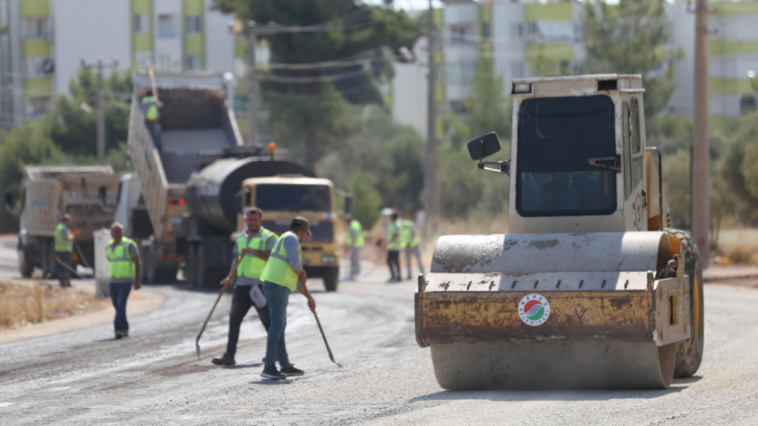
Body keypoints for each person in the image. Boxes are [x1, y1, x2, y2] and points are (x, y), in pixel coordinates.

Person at [212, 207, 277, 366]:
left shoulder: (268, 237)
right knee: (234, 318)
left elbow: (271, 256)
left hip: (260, 286)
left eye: (255, 220)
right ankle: (229, 355)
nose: (252, 222)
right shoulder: (241, 237)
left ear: (261, 221)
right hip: (242, 285)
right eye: (250, 219)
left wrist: (252, 251)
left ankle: (275, 352)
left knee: (267, 320)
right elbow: (237, 260)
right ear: (245, 220)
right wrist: (229, 278)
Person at [259, 217, 317, 380]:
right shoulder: (291, 238)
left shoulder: (285, 238)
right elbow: (296, 266)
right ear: (302, 231)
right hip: (276, 285)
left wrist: (309, 298)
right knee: (277, 325)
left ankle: (285, 365)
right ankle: (269, 366)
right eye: (305, 233)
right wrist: (302, 272)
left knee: (280, 325)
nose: (304, 237)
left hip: (277, 284)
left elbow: (297, 281)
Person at [105, 223, 141, 339]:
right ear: (111, 234)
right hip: (113, 281)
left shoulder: (129, 245)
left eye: (119, 232)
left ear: (122, 233)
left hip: (125, 281)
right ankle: (125, 327)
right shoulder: (109, 246)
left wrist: (137, 280)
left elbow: (137, 262)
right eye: (115, 232)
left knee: (120, 306)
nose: (117, 234)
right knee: (118, 306)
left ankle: (118, 329)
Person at [54, 214, 75, 288]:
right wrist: (71, 237)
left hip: (59, 249)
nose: (71, 222)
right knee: (66, 267)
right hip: (65, 250)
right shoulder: (63, 228)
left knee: (61, 266)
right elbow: (65, 238)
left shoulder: (59, 227)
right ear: (66, 221)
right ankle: (66, 282)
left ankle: (62, 281)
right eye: (70, 221)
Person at [343, 214, 364, 281]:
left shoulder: (353, 227)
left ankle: (355, 273)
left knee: (354, 259)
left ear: (348, 221)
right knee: (354, 258)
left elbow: (354, 238)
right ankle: (354, 272)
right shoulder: (354, 224)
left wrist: (349, 247)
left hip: (355, 244)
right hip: (356, 244)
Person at [386, 213, 403, 283]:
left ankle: (398, 276)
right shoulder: (393, 224)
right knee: (389, 261)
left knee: (396, 261)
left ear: (393, 218)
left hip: (396, 247)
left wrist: (390, 241)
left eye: (391, 217)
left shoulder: (397, 224)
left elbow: (396, 235)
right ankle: (393, 276)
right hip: (392, 247)